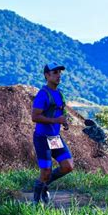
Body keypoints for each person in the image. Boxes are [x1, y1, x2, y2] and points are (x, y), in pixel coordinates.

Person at [31, 62, 74, 204]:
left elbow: (60, 112)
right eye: (55, 73)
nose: (58, 75)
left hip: (54, 138)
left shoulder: (59, 94)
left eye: (59, 72)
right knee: (46, 172)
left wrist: (64, 121)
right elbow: (35, 117)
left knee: (68, 166)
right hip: (42, 138)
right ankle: (36, 201)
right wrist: (56, 120)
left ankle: (45, 186)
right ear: (47, 75)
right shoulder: (43, 95)